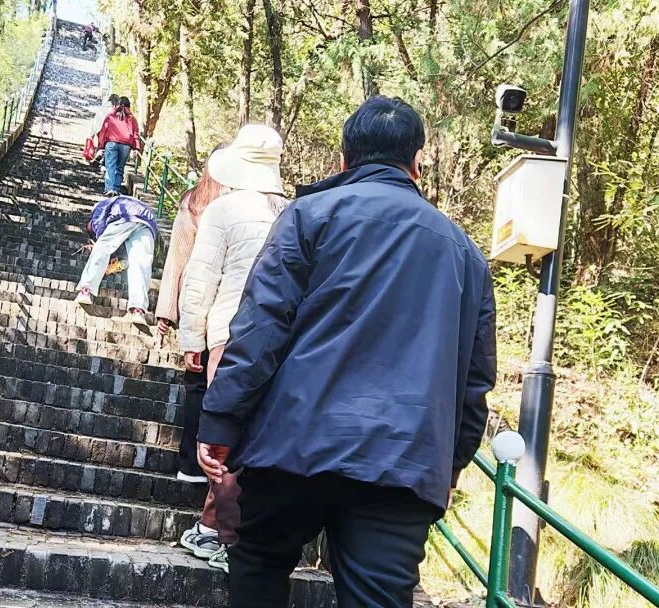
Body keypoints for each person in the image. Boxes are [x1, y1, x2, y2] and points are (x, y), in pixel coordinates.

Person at [197, 96, 496, 607]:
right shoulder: (464, 253)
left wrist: (221, 423)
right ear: (416, 163)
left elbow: (260, 328)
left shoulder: (308, 217)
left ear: (343, 160)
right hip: (402, 461)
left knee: (260, 565)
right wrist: (450, 466)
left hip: (294, 444)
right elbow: (473, 380)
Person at [176, 125, 289, 574]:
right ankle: (221, 528)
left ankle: (218, 533)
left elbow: (201, 278)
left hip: (230, 333)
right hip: (284, 342)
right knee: (256, 437)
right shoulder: (298, 212)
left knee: (223, 440)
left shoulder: (222, 209)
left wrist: (192, 339)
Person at [155, 145, 228, 485]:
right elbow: (177, 260)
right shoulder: (211, 205)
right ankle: (208, 464)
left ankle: (191, 464)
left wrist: (167, 315)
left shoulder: (195, 203)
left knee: (197, 382)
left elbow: (176, 262)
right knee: (210, 384)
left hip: (197, 304)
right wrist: (165, 313)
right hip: (225, 307)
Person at [75, 194, 157, 325]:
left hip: (127, 213)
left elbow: (103, 241)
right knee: (141, 263)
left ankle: (86, 290)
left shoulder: (97, 212)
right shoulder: (114, 202)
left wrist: (98, 246)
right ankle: (138, 309)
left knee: (102, 247)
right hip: (149, 219)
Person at [96, 96, 141, 196]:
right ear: (129, 107)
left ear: (117, 105)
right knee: (120, 168)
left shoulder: (110, 116)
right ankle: (116, 189)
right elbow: (136, 134)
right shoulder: (132, 119)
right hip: (126, 146)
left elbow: (103, 132)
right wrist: (136, 148)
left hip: (111, 143)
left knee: (110, 166)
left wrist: (100, 147)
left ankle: (109, 189)